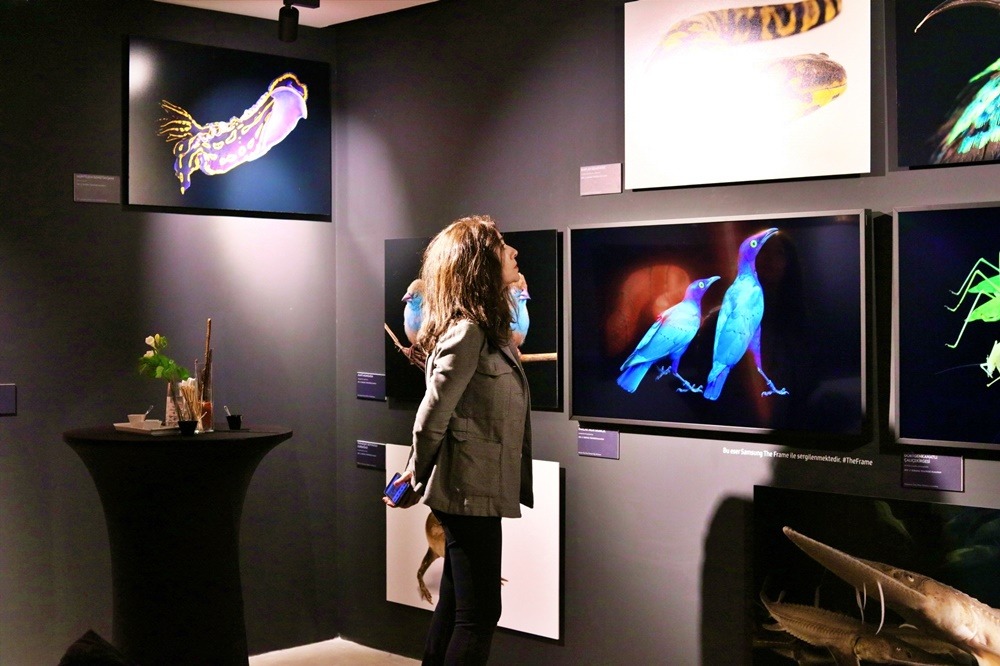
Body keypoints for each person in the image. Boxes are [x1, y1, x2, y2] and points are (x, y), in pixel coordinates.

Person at [384, 215, 533, 666]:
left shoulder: (484, 329)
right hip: (468, 491)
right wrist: (415, 473)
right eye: (502, 245)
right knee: (480, 613)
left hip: (476, 488)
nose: (513, 252)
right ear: (478, 263)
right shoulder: (467, 331)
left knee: (455, 605)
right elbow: (432, 414)